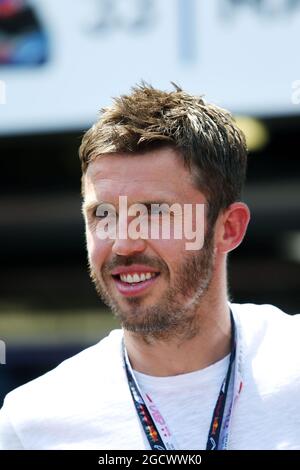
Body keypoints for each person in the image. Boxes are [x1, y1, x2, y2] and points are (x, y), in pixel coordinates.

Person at [0, 84, 299, 450]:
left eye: (156, 213)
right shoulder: (32, 422)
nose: (124, 243)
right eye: (103, 214)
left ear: (229, 228)